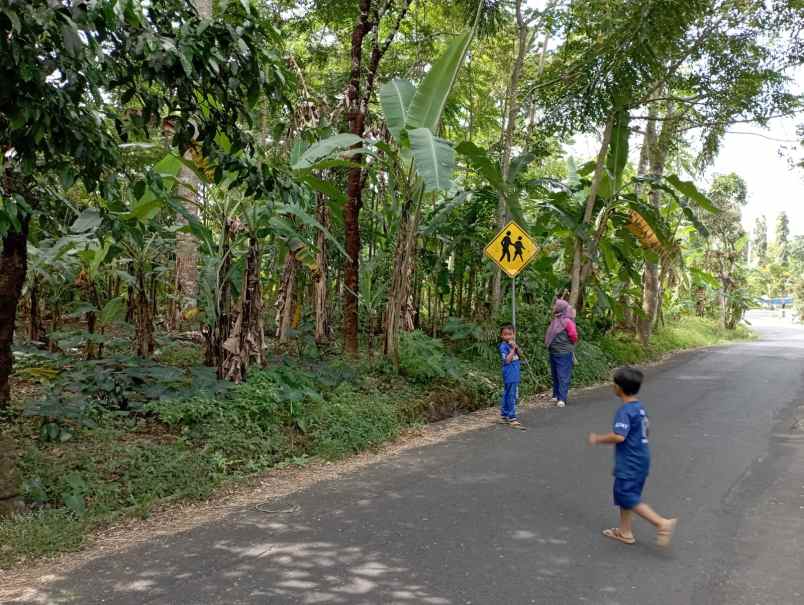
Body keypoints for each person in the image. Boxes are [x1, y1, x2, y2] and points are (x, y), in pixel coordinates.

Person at [587, 366, 677, 547]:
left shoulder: (625, 411)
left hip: (630, 461)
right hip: (641, 457)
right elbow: (647, 429)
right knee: (628, 495)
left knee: (626, 496)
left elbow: (619, 436)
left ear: (618, 388)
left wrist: (598, 438)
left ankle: (661, 523)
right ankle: (625, 531)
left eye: (614, 384)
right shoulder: (639, 407)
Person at [544, 299, 577, 407]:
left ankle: (562, 398)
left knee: (563, 375)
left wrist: (567, 344)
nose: (553, 307)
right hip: (554, 351)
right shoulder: (556, 319)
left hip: (564, 352)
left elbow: (573, 335)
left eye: (555, 305)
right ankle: (556, 395)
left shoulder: (567, 321)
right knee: (555, 374)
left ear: (560, 308)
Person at [498, 324, 526, 429]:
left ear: (514, 335)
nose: (508, 337)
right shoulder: (503, 346)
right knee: (511, 395)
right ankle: (512, 417)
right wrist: (513, 349)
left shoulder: (514, 344)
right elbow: (507, 360)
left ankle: (504, 415)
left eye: (510, 334)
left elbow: (521, 355)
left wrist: (516, 347)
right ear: (501, 336)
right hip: (509, 373)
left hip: (515, 373)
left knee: (507, 393)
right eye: (505, 334)